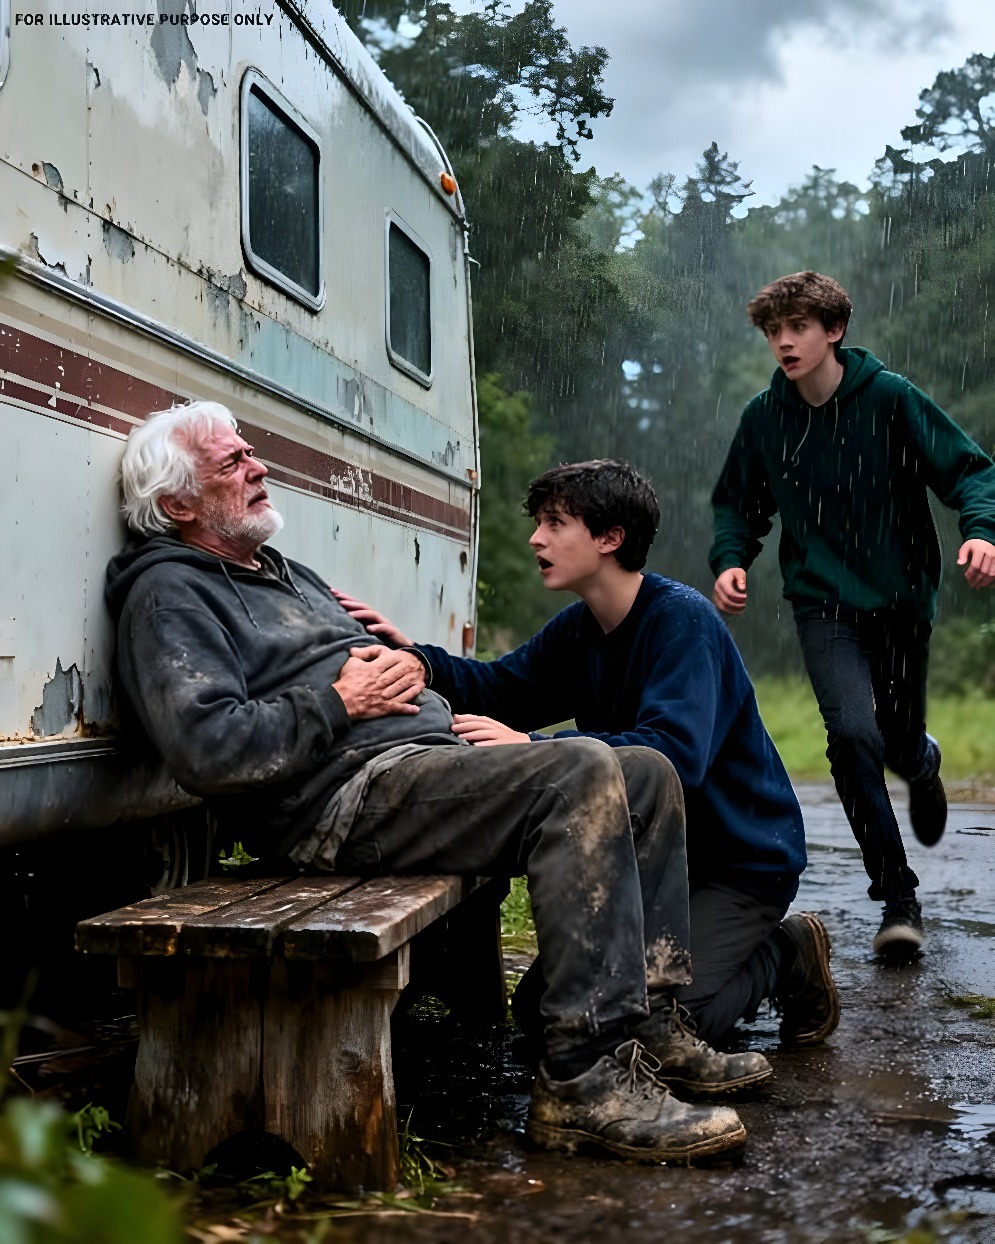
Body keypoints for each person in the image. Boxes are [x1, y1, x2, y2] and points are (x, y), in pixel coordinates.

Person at [106, 401, 759, 1166]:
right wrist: (337, 702)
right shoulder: (169, 594)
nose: (258, 466)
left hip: (417, 765)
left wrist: (411, 662)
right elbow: (209, 751)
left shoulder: (283, 574)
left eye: (250, 452)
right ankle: (583, 1083)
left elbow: (441, 678)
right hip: (343, 799)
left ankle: (646, 1025)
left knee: (642, 770)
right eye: (232, 462)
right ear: (179, 504)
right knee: (579, 768)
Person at [337, 459, 838, 1053]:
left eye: (555, 523)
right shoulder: (580, 629)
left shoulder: (683, 622)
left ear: (609, 538)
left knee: (653, 1034)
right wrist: (418, 660)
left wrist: (535, 749)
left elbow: (674, 758)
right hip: (648, 863)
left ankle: (786, 952)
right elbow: (500, 688)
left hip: (736, 866)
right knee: (545, 1015)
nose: (536, 538)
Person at [710, 270, 995, 961]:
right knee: (851, 735)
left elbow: (969, 470)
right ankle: (897, 898)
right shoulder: (764, 418)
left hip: (900, 600)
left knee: (894, 738)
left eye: (798, 327)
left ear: (833, 330)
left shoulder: (890, 398)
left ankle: (920, 760)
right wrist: (731, 558)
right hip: (821, 602)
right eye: (773, 331)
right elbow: (737, 503)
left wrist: (982, 531)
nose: (784, 342)